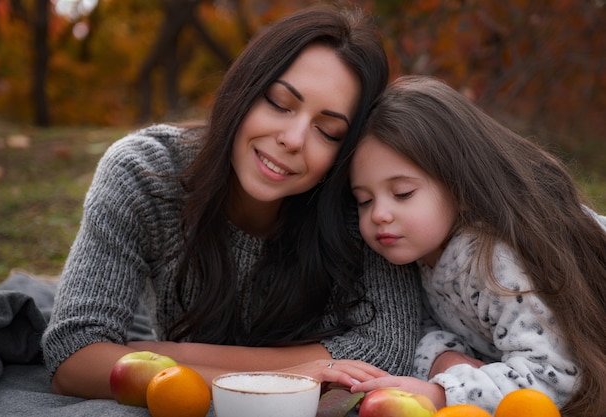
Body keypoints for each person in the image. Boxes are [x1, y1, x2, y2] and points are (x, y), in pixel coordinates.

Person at [41, 6, 422, 400]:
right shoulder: (145, 174)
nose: (293, 139)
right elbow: (74, 356)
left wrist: (162, 355)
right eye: (279, 102)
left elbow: (384, 351)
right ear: (243, 88)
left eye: (327, 130)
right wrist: (292, 375)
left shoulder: (360, 202)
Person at [347, 75, 606, 417]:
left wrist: (443, 393)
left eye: (403, 193)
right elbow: (421, 326)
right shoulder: (422, 254)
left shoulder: (496, 259)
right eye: (363, 201)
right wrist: (443, 356)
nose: (379, 214)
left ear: (461, 187)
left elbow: (554, 375)